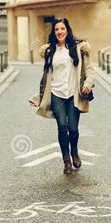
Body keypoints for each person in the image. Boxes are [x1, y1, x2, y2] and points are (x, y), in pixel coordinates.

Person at [29, 18, 95, 175]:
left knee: (73, 129)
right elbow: (46, 79)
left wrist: (88, 84)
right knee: (62, 127)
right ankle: (66, 160)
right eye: (56, 29)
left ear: (67, 30)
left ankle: (74, 152)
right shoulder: (50, 51)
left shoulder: (79, 48)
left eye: (62, 29)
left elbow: (90, 70)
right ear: (54, 32)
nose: (59, 32)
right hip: (56, 95)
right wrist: (38, 98)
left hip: (73, 95)